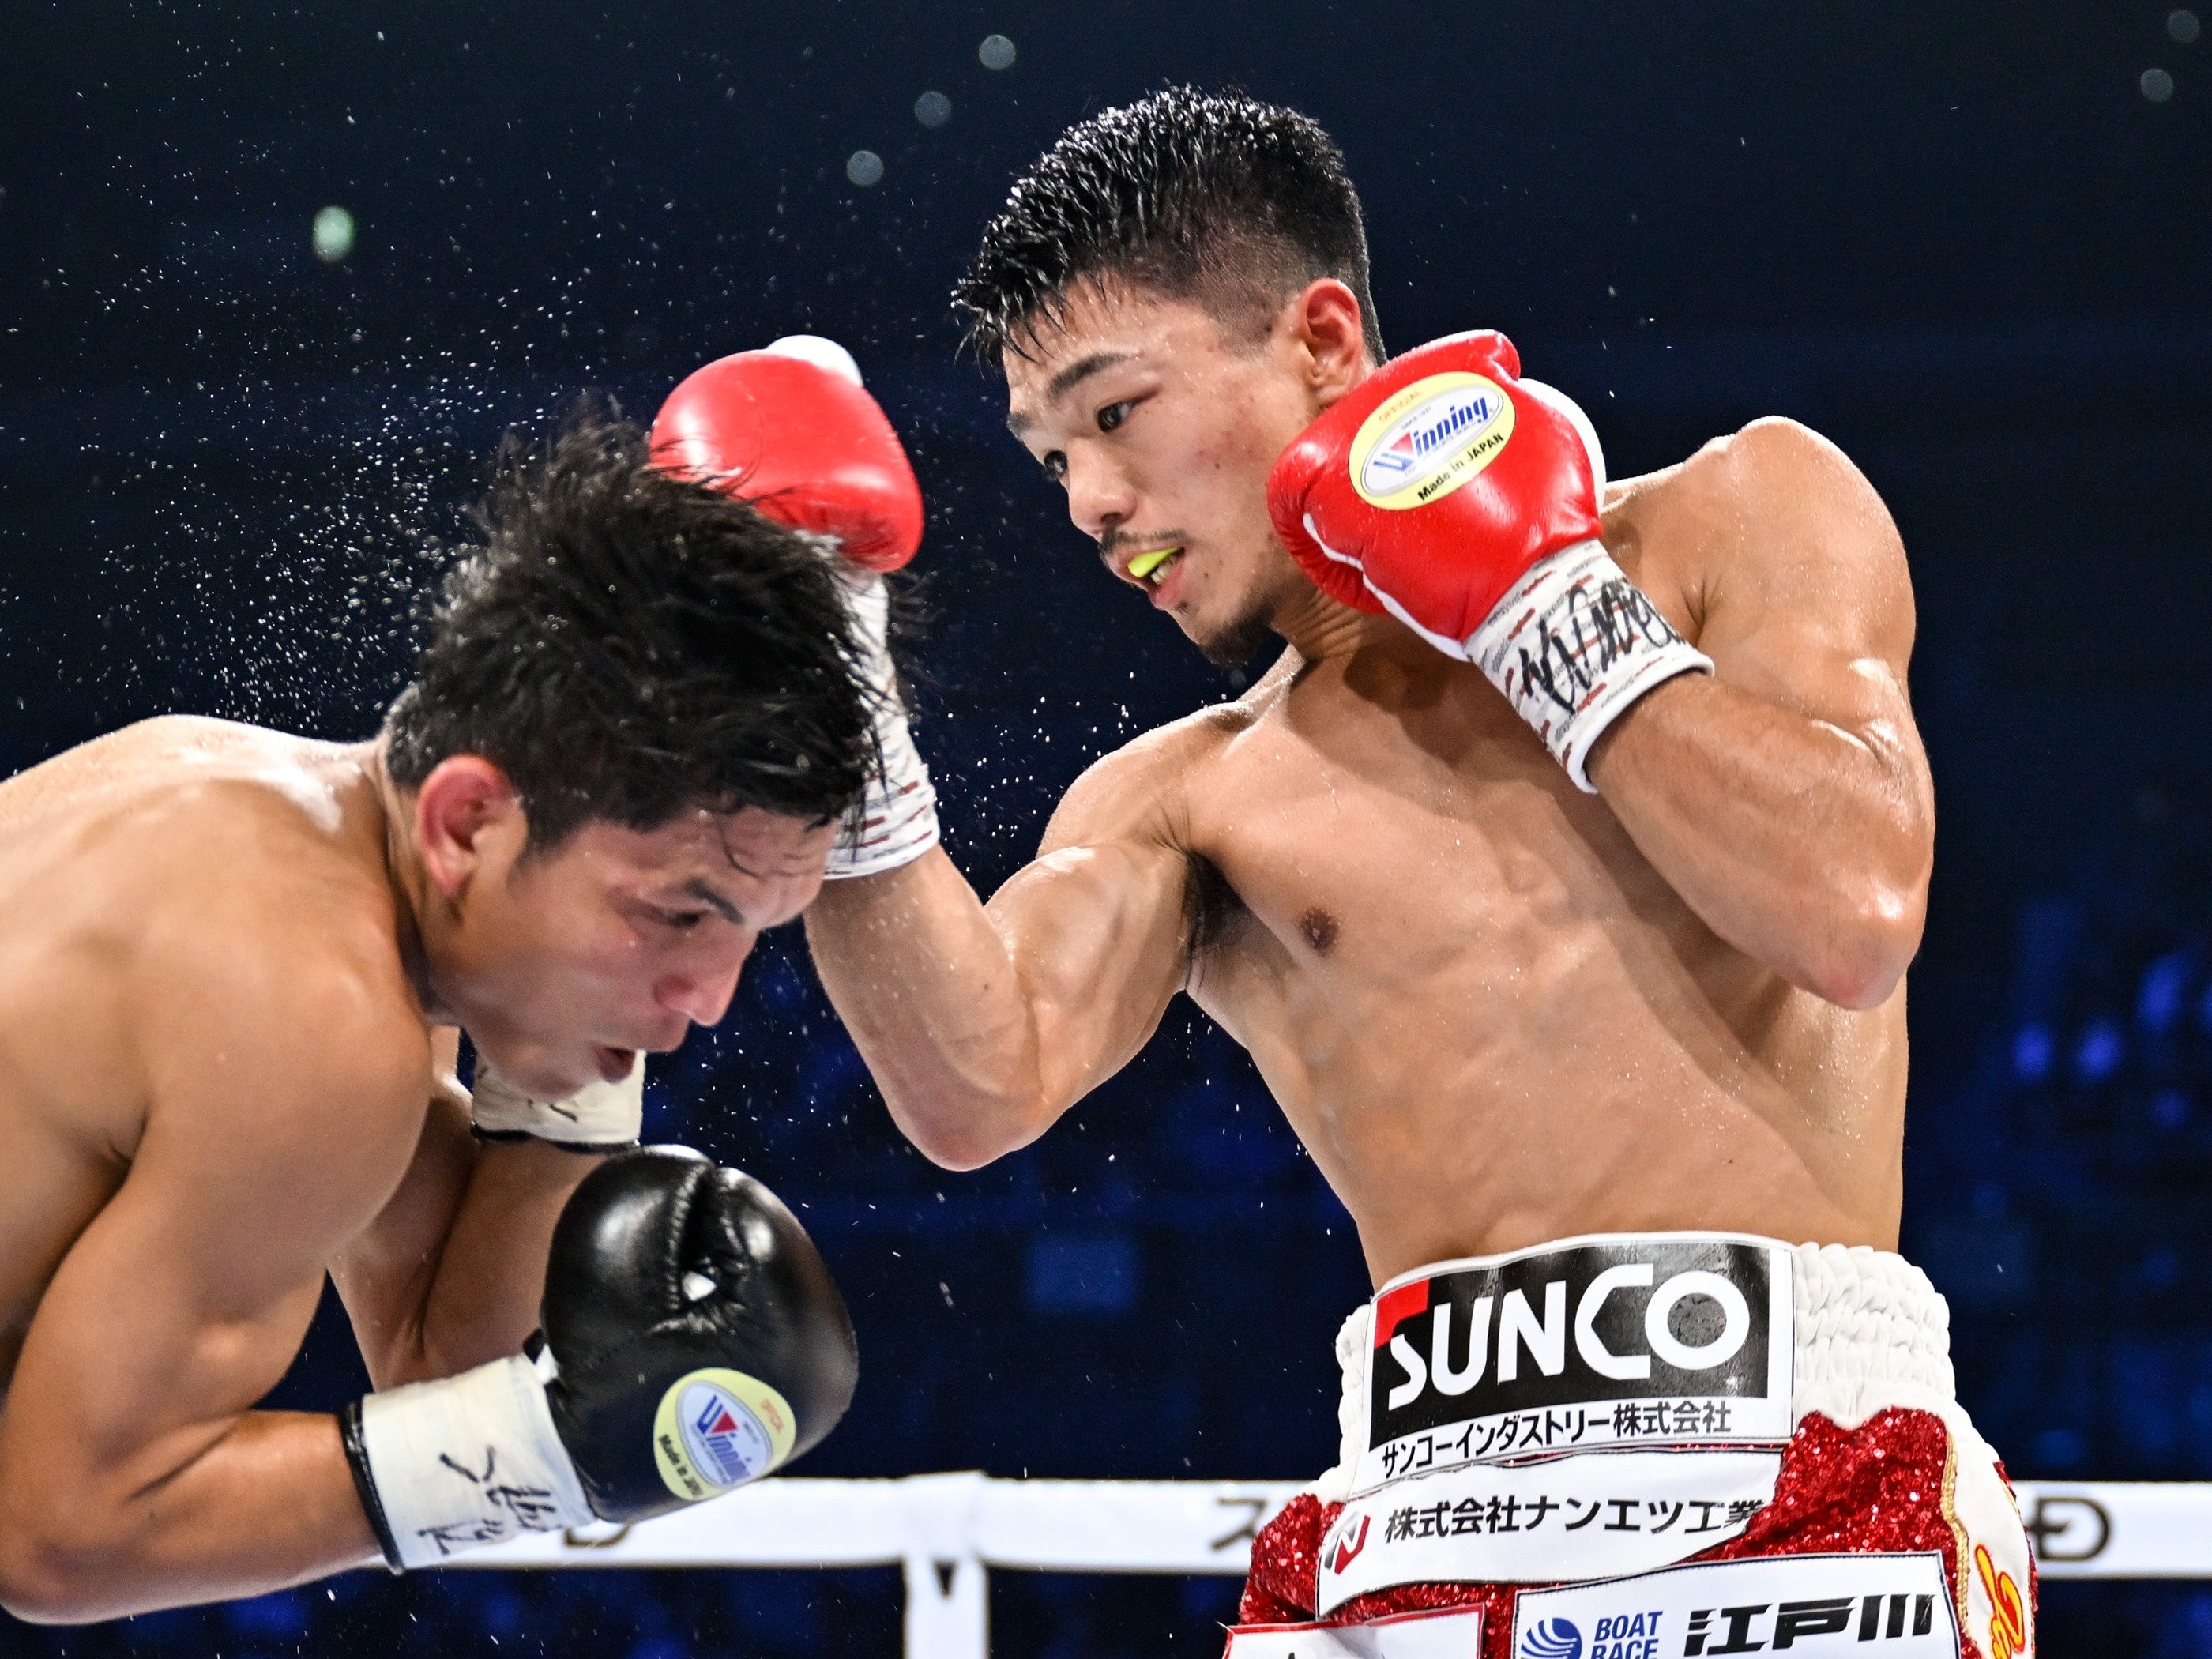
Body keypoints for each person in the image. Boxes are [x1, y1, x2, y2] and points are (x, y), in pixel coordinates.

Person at [763, 89, 2034, 1657]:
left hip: (1792, 1483)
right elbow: (975, 1085)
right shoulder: (1185, 798)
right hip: (1414, 1527)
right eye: (1049, 459)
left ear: (1318, 339)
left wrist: (1538, 606)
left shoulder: (1734, 516)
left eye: (1117, 413)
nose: (1089, 502)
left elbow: (1850, 910)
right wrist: (832, 726)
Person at [0, 409, 890, 1622]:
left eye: (750, 933)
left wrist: (577, 1066)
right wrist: (545, 1455)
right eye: (680, 913)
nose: (712, 998)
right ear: (468, 823)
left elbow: (442, 1364)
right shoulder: (310, 1010)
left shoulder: (255, 818)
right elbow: (59, 1538)